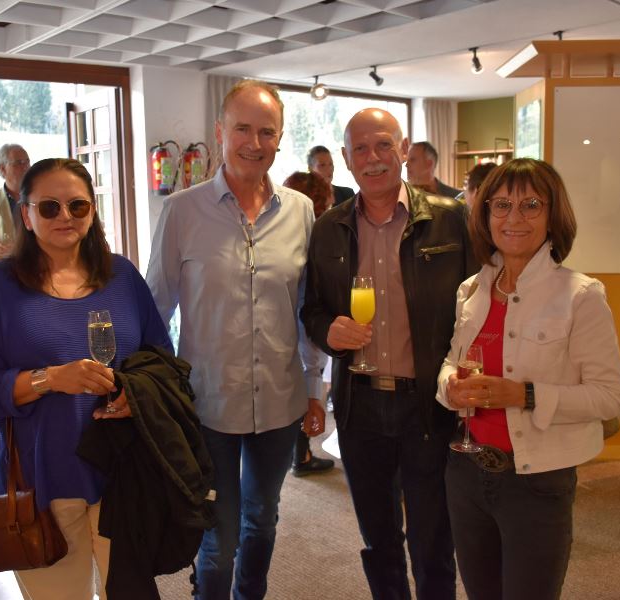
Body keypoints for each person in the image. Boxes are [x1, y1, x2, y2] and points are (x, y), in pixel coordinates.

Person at [0, 158, 172, 600]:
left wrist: (136, 396)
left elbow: (160, 359)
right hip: (40, 481)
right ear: (26, 215)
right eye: (49, 207)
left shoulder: (122, 276)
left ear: (92, 211)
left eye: (77, 206)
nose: (65, 217)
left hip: (122, 471)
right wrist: (50, 379)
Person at [146, 80, 324, 600]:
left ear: (279, 138)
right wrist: (158, 396)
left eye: (267, 132)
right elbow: (156, 308)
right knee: (218, 537)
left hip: (280, 400)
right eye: (242, 128)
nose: (254, 142)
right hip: (207, 403)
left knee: (263, 519)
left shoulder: (301, 211)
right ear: (220, 132)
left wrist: (315, 388)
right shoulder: (182, 211)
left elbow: (306, 310)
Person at [301, 108, 475, 600]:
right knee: (378, 540)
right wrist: (328, 330)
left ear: (403, 150)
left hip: (428, 405)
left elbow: (479, 302)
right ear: (346, 158)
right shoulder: (328, 228)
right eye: (360, 148)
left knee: (433, 540)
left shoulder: (450, 219)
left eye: (383, 145)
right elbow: (311, 310)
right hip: (359, 406)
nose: (372, 158)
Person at [436, 158, 620, 600]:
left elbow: (609, 397)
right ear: (485, 215)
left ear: (553, 215)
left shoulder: (581, 295)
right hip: (465, 472)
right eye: (501, 205)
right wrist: (451, 388)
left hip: (537, 481)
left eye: (531, 205)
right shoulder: (470, 290)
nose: (514, 218)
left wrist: (524, 394)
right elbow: (450, 363)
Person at [282, 170, 336, 477]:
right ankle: (300, 456)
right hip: (302, 337)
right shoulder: (315, 243)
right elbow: (307, 305)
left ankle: (299, 455)